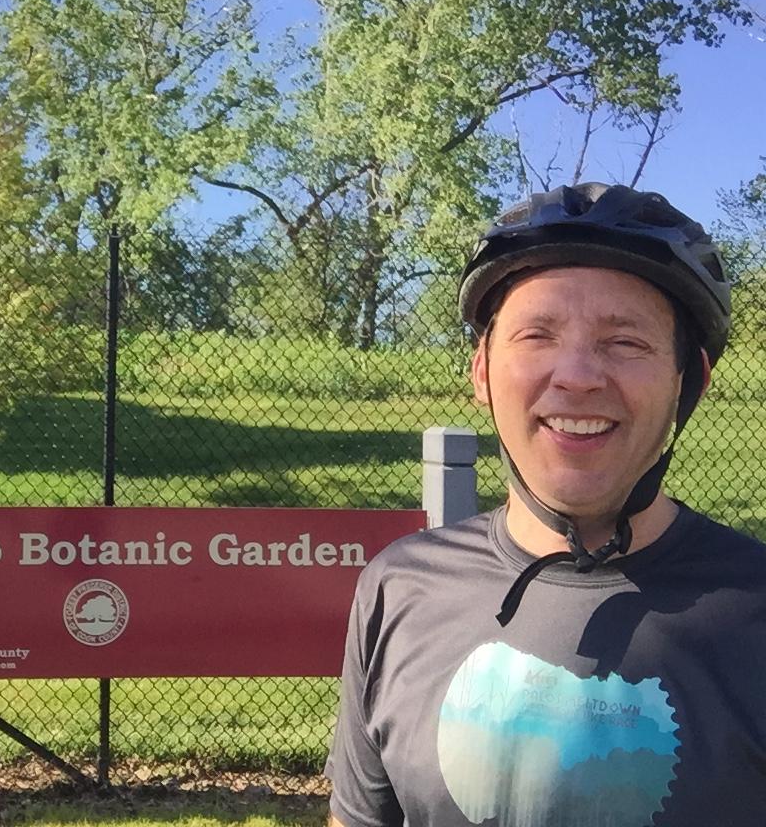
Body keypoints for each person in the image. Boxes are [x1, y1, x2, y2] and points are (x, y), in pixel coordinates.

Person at [326, 182, 766, 826]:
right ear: (480, 370)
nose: (578, 375)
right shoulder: (399, 588)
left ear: (688, 382)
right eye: (538, 334)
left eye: (625, 342)